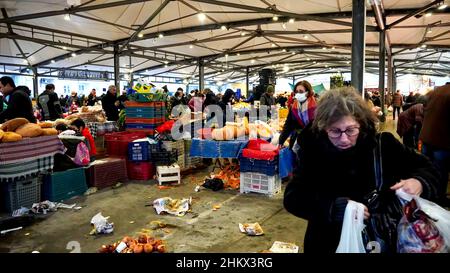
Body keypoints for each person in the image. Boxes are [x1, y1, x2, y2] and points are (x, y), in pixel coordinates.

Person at [283, 87, 439, 253]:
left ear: (361, 124)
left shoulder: (383, 146)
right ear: (323, 128)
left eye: (351, 130)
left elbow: (429, 168)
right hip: (328, 242)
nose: (343, 138)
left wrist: (419, 182)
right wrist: (333, 208)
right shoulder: (314, 151)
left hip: (380, 239)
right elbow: (293, 197)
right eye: (335, 131)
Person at [420, 83, 450, 207]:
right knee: (441, 172)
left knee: (427, 168)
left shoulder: (436, 91)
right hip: (442, 140)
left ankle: (426, 195)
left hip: (426, 137)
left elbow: (423, 108)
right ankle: (438, 199)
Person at [278, 80, 317, 149]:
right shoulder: (293, 107)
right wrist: (281, 140)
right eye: (296, 91)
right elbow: (288, 124)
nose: (298, 94)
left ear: (308, 92)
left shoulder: (317, 106)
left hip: (315, 142)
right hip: (298, 140)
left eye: (301, 91)